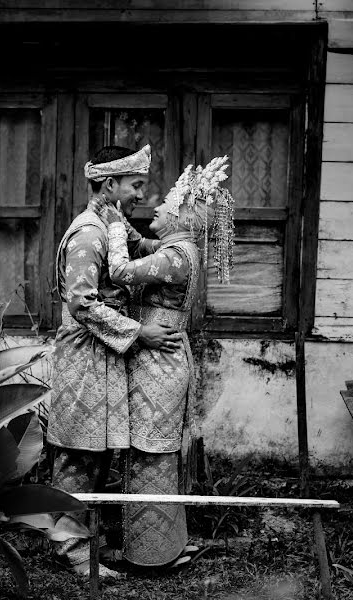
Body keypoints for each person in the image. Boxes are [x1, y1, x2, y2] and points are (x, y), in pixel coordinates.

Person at [46, 144, 181, 575]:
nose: (143, 193)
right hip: (85, 356)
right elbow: (80, 304)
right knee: (78, 454)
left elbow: (143, 251)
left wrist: (185, 240)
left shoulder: (114, 223)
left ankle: (87, 546)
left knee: (99, 451)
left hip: (105, 353)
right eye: (136, 185)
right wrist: (139, 332)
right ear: (110, 184)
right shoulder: (89, 232)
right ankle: (71, 554)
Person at [103, 156, 235, 567]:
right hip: (157, 362)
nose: (155, 207)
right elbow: (141, 245)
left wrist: (108, 225)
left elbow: (123, 269)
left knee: (150, 457)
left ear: (179, 219)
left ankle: (150, 554)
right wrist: (117, 217)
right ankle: (158, 546)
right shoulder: (177, 248)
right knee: (150, 455)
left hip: (159, 366)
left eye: (165, 206)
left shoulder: (177, 256)